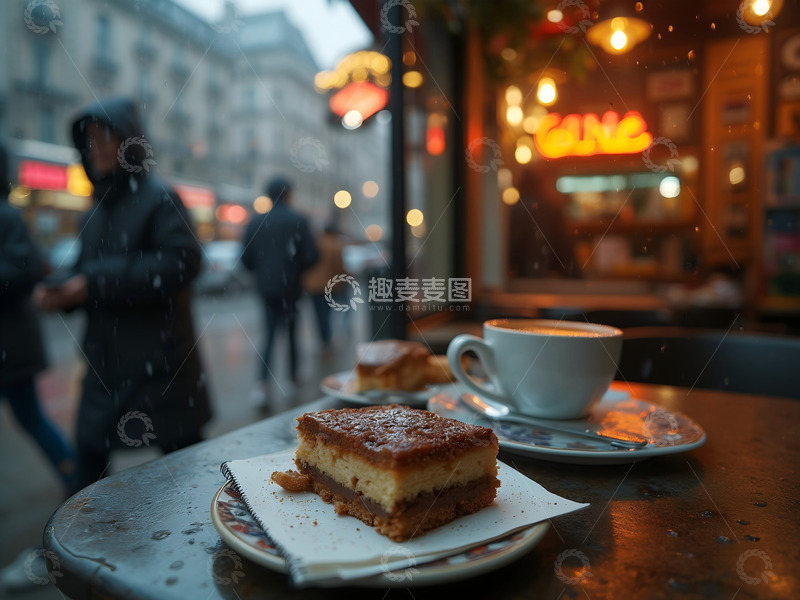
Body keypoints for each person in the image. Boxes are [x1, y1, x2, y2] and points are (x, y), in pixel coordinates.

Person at [35, 97, 212, 490]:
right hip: (103, 366)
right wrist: (60, 293)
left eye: (104, 138)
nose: (94, 148)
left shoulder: (160, 197)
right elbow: (87, 273)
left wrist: (93, 282)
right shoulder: (94, 210)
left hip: (161, 367)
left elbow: (182, 264)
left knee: (188, 481)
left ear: (128, 142)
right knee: (85, 478)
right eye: (89, 141)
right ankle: (74, 548)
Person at [0, 141, 79, 593]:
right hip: (11, 342)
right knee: (30, 417)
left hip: (11, 344)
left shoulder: (7, 215)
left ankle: (76, 481)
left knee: (31, 416)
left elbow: (23, 267)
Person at [241, 177, 318, 409]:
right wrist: (294, 269)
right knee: (293, 334)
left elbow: (245, 259)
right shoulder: (298, 220)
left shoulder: (255, 222)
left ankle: (262, 385)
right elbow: (312, 255)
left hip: (266, 289)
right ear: (288, 194)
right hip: (291, 288)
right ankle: (293, 379)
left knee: (268, 337)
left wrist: (264, 272)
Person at [302, 218, 346, 351]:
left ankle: (322, 339)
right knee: (327, 313)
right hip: (329, 285)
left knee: (318, 313)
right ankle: (326, 339)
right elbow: (339, 267)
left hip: (313, 285)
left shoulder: (315, 243)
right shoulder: (335, 245)